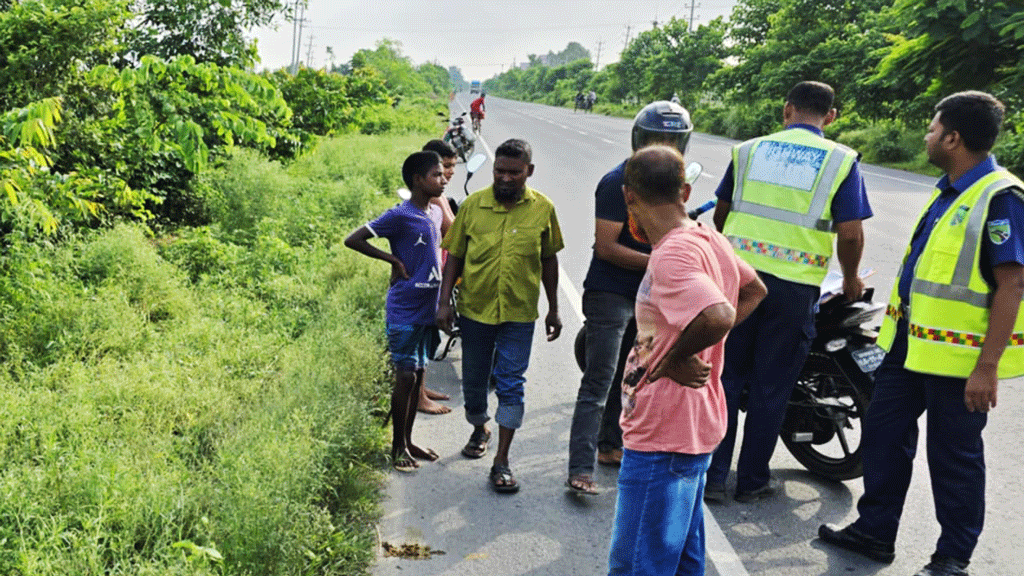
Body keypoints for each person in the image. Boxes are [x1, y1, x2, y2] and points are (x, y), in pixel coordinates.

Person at [819, 91, 1024, 576]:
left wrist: (987, 368)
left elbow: (1013, 285)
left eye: (932, 130)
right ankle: (875, 531)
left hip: (960, 358)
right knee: (885, 436)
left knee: (954, 461)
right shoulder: (950, 186)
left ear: (953, 138)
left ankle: (953, 558)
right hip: (910, 344)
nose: (926, 136)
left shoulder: (1000, 196)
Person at [706, 80, 872, 503]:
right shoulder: (841, 160)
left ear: (787, 110)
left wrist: (738, 256)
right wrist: (851, 277)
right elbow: (850, 233)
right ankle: (752, 481)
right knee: (772, 386)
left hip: (739, 282)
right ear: (830, 116)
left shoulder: (748, 151)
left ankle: (712, 478)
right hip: (794, 289)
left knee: (726, 377)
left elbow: (721, 213)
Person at [607, 145, 767, 576]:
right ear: (686, 190)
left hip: (664, 433)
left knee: (638, 564)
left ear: (628, 196)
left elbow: (719, 313)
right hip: (691, 428)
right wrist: (691, 345)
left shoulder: (673, 253)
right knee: (679, 560)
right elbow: (753, 291)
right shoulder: (708, 237)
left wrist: (675, 356)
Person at [566, 101, 694, 495]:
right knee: (599, 379)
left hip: (645, 296)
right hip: (610, 292)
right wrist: (661, 261)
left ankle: (610, 446)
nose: (663, 147)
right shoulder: (615, 183)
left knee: (630, 377)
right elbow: (606, 247)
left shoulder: (668, 184)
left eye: (671, 140)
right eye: (656, 139)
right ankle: (580, 468)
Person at [436, 138, 564, 494]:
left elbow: (549, 258)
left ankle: (502, 460)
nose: (506, 178)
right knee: (474, 385)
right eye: (500, 171)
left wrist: (553, 307)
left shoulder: (543, 209)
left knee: (511, 383)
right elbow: (455, 257)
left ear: (529, 172)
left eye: (514, 172)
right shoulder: (473, 206)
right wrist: (444, 302)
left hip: (520, 312)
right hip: (475, 310)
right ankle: (480, 426)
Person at [344, 151, 448, 472]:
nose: (443, 180)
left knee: (416, 377)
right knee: (404, 376)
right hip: (404, 307)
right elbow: (354, 239)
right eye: (436, 175)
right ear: (418, 180)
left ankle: (409, 439)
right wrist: (392, 260)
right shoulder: (400, 215)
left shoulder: (433, 213)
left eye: (443, 175)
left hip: (427, 309)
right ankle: (397, 447)